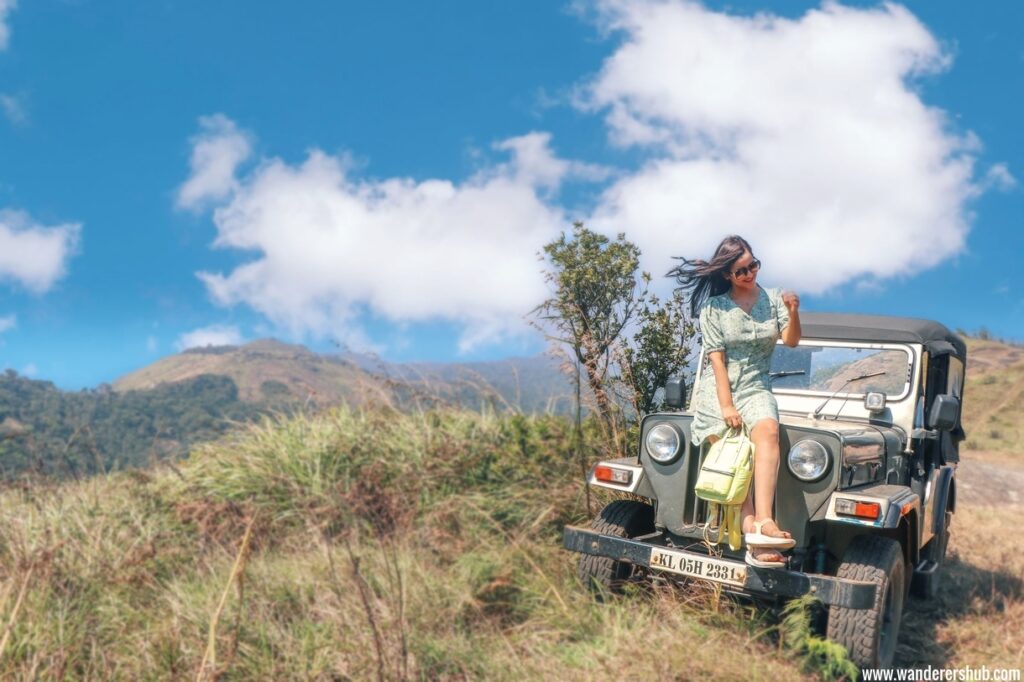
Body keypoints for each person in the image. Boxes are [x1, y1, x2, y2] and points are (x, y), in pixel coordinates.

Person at [669, 235, 802, 567]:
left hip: (757, 383)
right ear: (727, 274)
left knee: (768, 431)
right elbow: (716, 361)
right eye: (742, 270)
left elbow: (792, 341)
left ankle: (765, 520)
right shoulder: (714, 308)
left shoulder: (772, 299)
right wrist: (726, 406)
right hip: (719, 391)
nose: (750, 274)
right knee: (733, 463)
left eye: (754, 265)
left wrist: (793, 312)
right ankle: (754, 536)